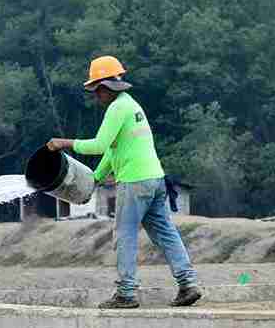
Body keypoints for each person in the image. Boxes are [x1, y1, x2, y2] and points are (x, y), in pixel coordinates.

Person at [46, 56, 201, 309]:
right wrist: (95, 178)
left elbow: (99, 145)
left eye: (97, 91)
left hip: (134, 182)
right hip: (155, 179)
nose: (97, 97)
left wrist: (64, 143)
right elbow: (113, 150)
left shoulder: (117, 108)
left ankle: (126, 294)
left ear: (105, 88)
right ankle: (188, 284)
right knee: (166, 233)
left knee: (125, 235)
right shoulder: (131, 105)